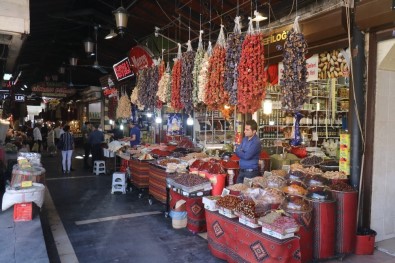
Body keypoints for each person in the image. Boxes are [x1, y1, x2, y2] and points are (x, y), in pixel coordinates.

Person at [235, 119, 261, 184]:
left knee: (247, 192)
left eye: (247, 130)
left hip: (251, 173)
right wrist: (241, 151)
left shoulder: (256, 142)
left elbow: (247, 156)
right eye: (245, 129)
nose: (244, 131)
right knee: (237, 190)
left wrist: (239, 151)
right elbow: (238, 150)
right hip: (241, 171)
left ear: (254, 131)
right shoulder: (244, 139)